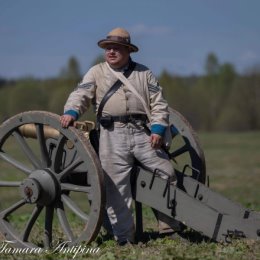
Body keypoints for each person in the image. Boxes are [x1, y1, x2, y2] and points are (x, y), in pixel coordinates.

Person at [60, 28, 181, 245]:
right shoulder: (96, 72)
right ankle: (125, 239)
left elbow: (159, 103)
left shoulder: (144, 73)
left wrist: (158, 129)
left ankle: (168, 227)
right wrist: (72, 112)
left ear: (128, 50)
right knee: (116, 188)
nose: (111, 52)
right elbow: (81, 94)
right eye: (108, 48)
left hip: (142, 133)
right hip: (111, 134)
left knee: (166, 173)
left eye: (116, 48)